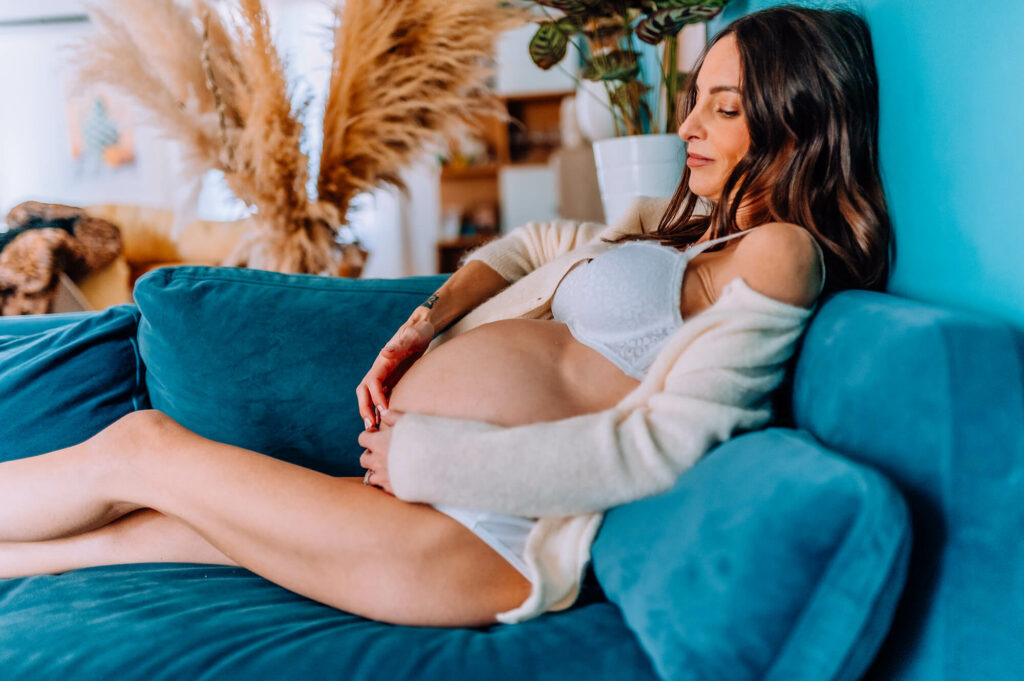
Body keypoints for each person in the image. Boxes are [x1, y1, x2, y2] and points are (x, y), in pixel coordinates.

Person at [0, 6, 892, 628]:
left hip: (479, 537)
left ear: (798, 120)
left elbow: (665, 448)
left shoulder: (783, 252)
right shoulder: (690, 238)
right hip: (439, 508)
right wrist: (425, 323)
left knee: (142, 446)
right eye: (695, 96)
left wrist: (425, 454)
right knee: (152, 527)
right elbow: (538, 242)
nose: (690, 123)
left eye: (723, 107)